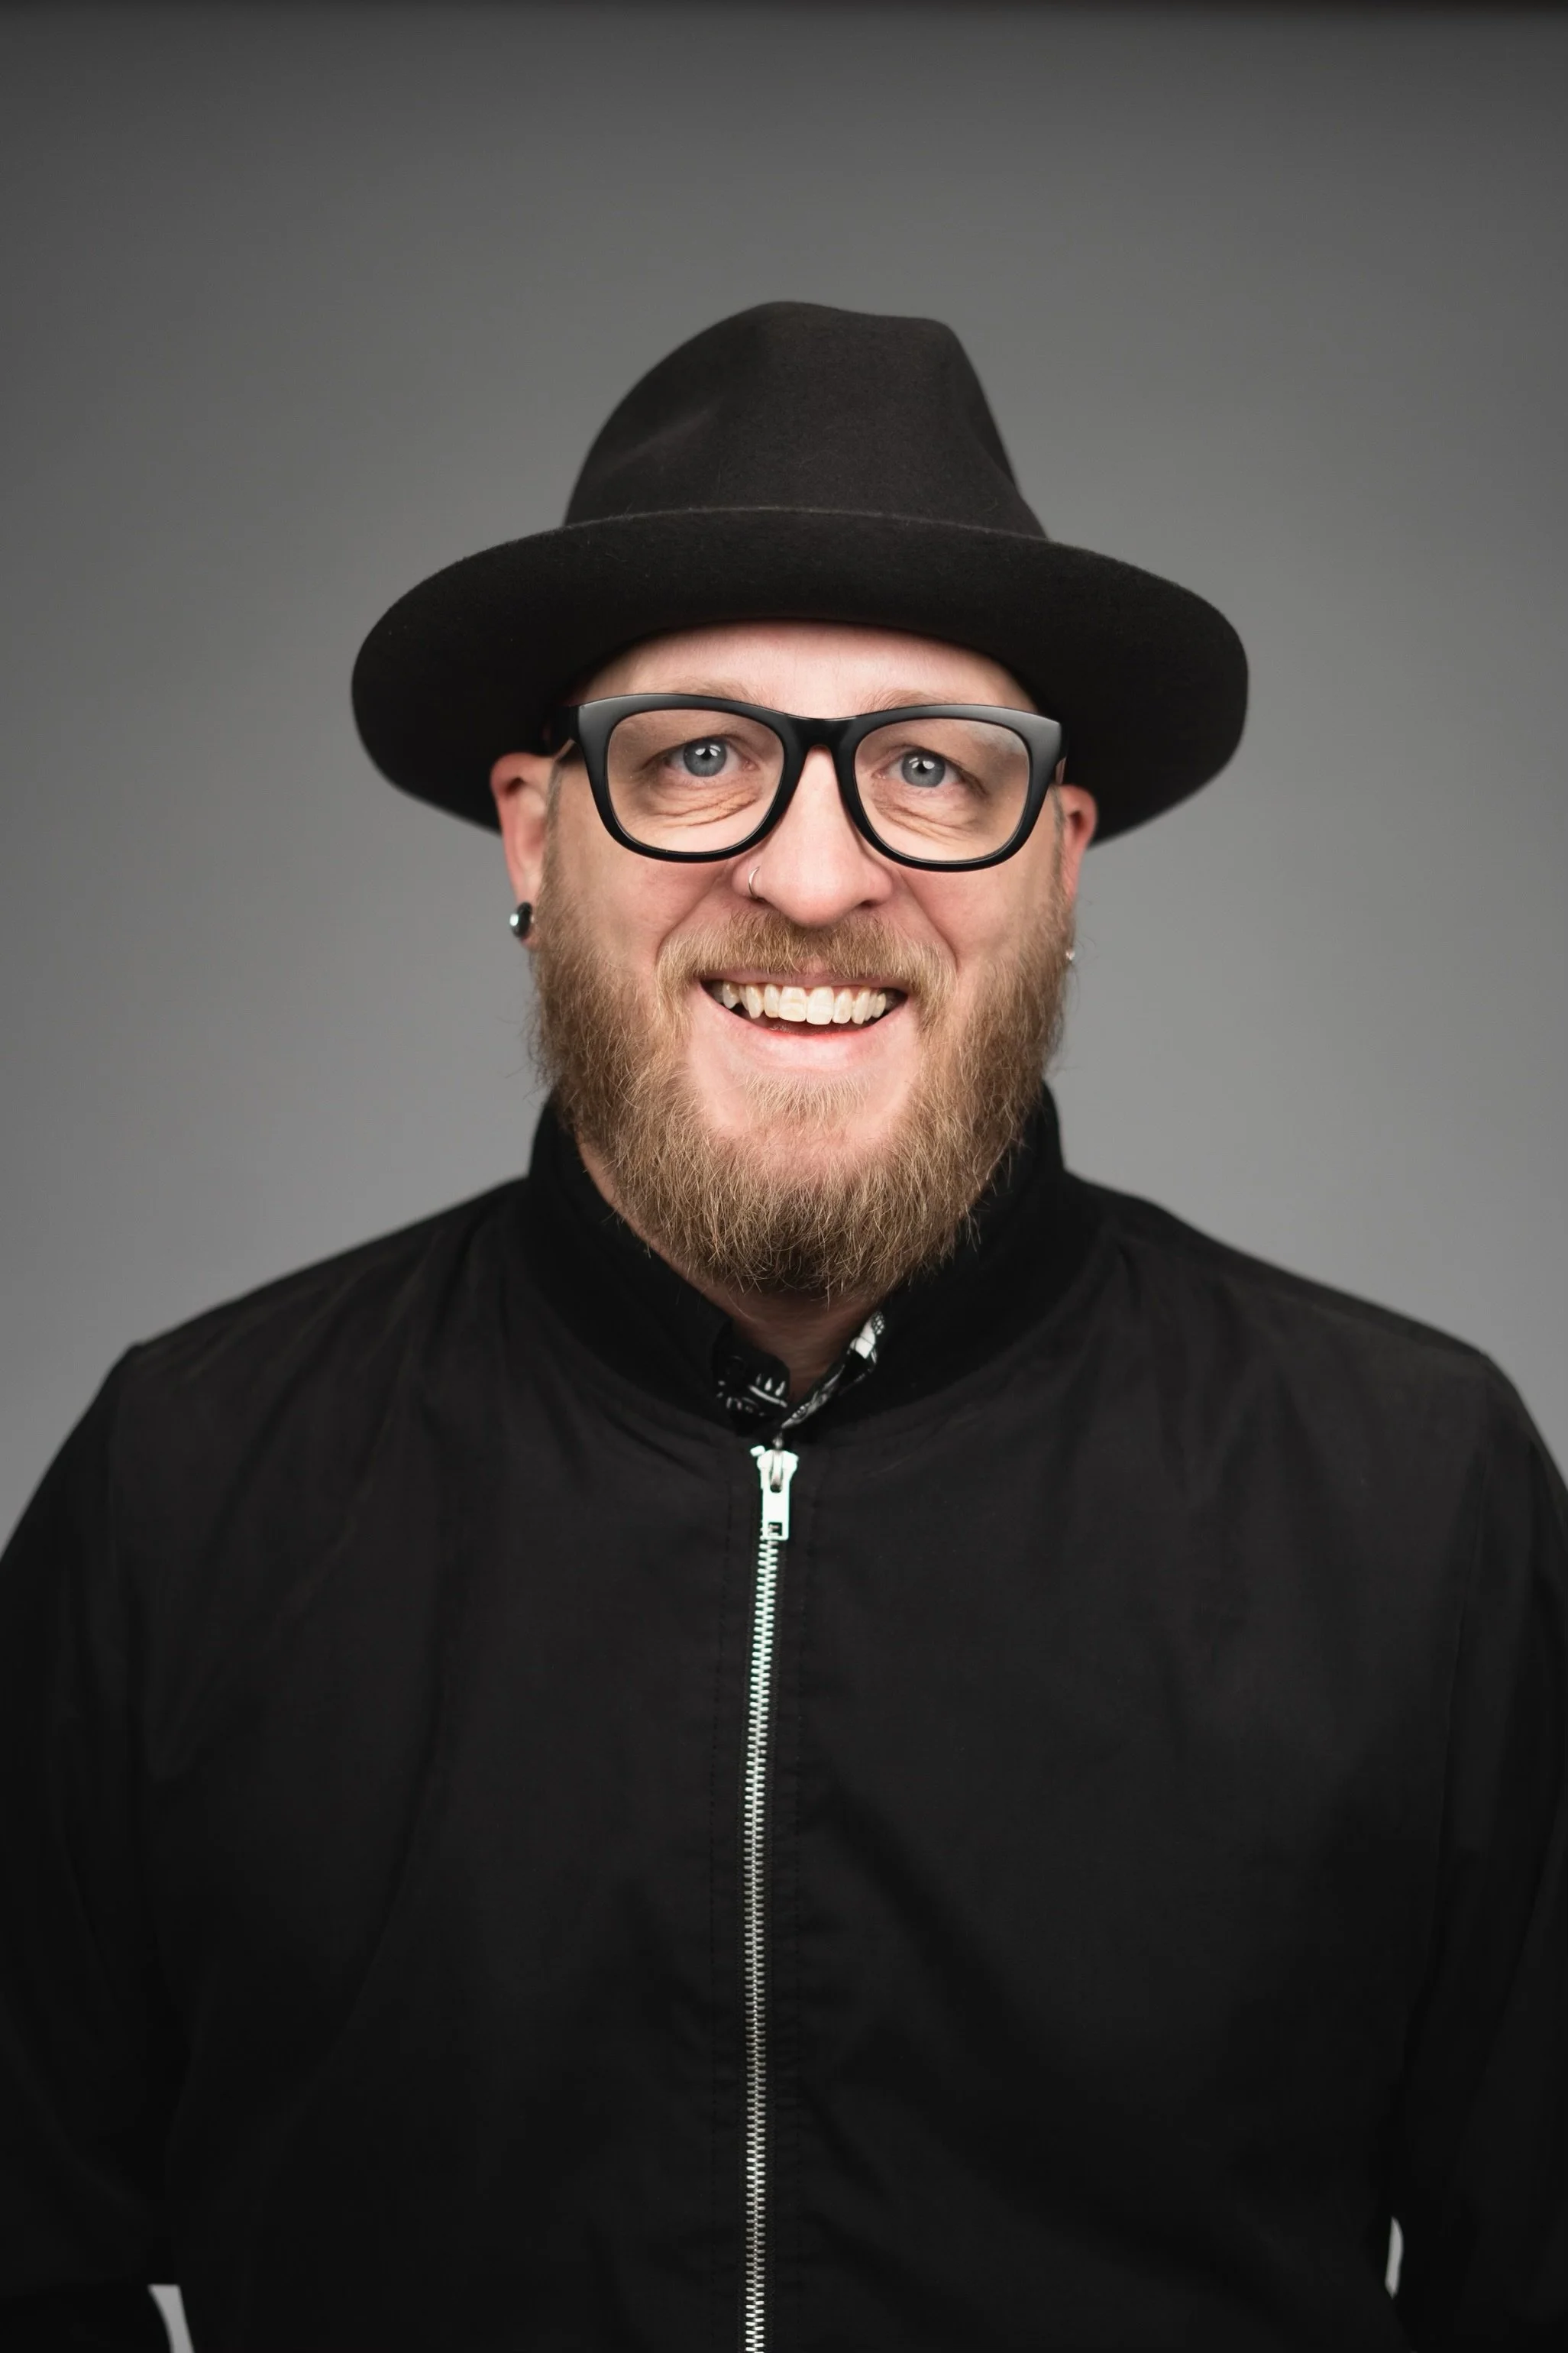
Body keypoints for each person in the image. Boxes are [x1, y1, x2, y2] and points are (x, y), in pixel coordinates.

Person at [1, 302, 1563, 2353]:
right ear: (537, 835)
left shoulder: (1410, 1495)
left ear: (1058, 862)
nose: (810, 875)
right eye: (700, 758)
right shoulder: (189, 1483)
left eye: (930, 767)